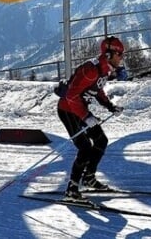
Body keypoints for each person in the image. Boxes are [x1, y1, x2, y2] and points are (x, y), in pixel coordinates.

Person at [57, 36, 127, 199]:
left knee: (101, 141)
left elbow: (98, 90)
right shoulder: (91, 70)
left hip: (80, 109)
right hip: (68, 110)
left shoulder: (105, 69)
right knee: (85, 148)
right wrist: (86, 116)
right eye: (120, 54)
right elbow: (71, 96)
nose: (122, 57)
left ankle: (88, 178)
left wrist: (111, 106)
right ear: (109, 54)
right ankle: (72, 189)